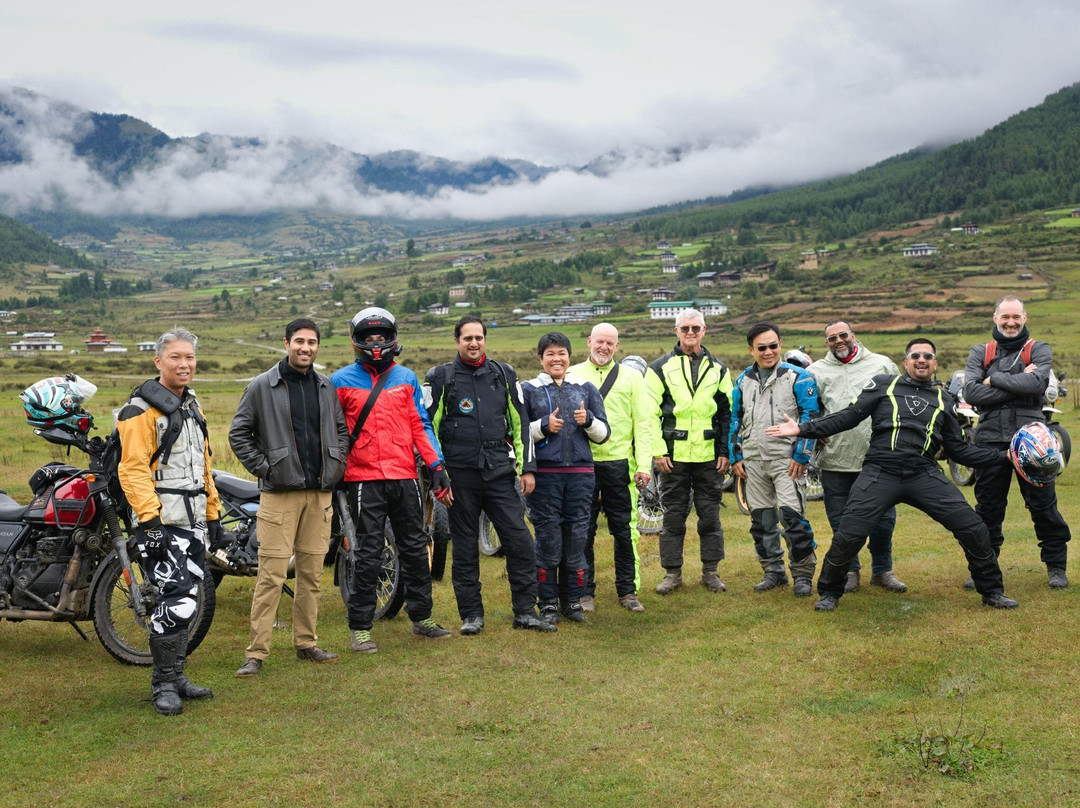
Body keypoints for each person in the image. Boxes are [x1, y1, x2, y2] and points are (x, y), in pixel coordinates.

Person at [767, 338, 1019, 612]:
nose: (921, 359)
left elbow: (959, 450)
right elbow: (849, 416)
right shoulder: (884, 384)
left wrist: (1003, 457)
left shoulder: (944, 399)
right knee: (849, 535)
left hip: (923, 472)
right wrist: (804, 429)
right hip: (880, 471)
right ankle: (829, 592)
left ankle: (992, 591)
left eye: (927, 356)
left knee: (973, 527)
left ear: (934, 364)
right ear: (906, 362)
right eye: (915, 355)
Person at [229, 319, 350, 677]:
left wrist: (337, 463)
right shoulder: (261, 386)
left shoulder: (326, 387)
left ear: (317, 347)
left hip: (319, 494)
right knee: (271, 574)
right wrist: (267, 468)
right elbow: (239, 434)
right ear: (286, 343)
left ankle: (306, 643)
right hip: (280, 495)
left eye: (312, 342)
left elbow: (341, 431)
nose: (306, 348)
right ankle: (256, 653)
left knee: (312, 573)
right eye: (299, 341)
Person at [332, 307, 453, 653]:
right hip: (361, 478)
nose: (375, 343)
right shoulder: (340, 381)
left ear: (392, 338)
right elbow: (334, 432)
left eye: (381, 337)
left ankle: (422, 619)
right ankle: (360, 627)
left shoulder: (406, 378)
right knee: (367, 554)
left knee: (415, 549)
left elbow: (421, 426)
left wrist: (437, 466)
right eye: (369, 338)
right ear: (357, 341)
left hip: (404, 475)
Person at [423, 316, 554, 634]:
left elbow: (521, 422)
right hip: (459, 478)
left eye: (478, 337)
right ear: (456, 341)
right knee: (465, 548)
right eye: (467, 338)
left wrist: (529, 469)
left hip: (499, 472)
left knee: (521, 541)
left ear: (485, 340)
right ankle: (471, 616)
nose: (473, 343)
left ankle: (525, 611)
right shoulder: (441, 377)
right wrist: (437, 476)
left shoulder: (504, 374)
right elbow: (428, 429)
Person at [116, 328, 220, 715]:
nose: (184, 364)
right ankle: (162, 683)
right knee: (174, 600)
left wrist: (212, 515)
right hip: (162, 520)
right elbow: (132, 470)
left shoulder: (193, 405)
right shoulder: (139, 410)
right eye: (175, 357)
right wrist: (149, 521)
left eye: (189, 357)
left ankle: (176, 676)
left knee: (190, 599)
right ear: (158, 361)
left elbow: (203, 464)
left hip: (192, 522)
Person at [963, 295, 1071, 589]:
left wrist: (993, 379)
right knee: (987, 509)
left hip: (1033, 437)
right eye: (1005, 317)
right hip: (989, 439)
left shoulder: (1039, 348)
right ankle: (982, 569)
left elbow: (1038, 384)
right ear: (995, 318)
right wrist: (1017, 381)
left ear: (1025, 318)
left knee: (1044, 505)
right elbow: (971, 393)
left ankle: (1056, 567)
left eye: (1016, 317)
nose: (1011, 322)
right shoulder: (979, 351)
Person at [808, 321, 906, 594]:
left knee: (884, 519)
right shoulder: (815, 371)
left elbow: (899, 402)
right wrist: (814, 427)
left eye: (842, 335)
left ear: (853, 336)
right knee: (840, 520)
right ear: (825, 342)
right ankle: (850, 570)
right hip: (835, 459)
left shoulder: (882, 364)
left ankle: (883, 570)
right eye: (831, 338)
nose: (838, 341)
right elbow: (807, 409)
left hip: (878, 458)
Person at [521, 332, 610, 623]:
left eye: (561, 353)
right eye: (550, 354)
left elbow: (605, 434)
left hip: (581, 476)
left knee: (577, 540)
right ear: (540, 358)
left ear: (569, 357)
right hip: (545, 477)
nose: (556, 359)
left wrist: (590, 422)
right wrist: (543, 426)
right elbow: (518, 434)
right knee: (548, 540)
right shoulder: (528, 390)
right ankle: (547, 603)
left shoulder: (585, 388)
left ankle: (572, 601)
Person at [569, 323, 657, 613]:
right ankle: (583, 592)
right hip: (582, 465)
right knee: (583, 531)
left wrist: (644, 465)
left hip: (620, 465)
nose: (604, 347)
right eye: (599, 342)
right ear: (589, 342)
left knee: (624, 530)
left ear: (617, 346)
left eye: (610, 343)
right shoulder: (572, 375)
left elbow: (643, 424)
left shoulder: (632, 378)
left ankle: (628, 591)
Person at [643, 308, 732, 595]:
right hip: (673, 456)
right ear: (676, 331)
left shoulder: (719, 368)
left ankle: (711, 572)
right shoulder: (658, 368)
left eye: (696, 328)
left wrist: (724, 451)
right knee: (673, 516)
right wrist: (658, 451)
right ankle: (672, 573)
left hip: (708, 456)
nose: (690, 333)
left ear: (704, 330)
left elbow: (727, 413)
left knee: (710, 516)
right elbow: (649, 413)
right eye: (685, 329)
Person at [729, 322, 819, 596]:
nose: (768, 352)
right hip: (753, 461)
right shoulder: (742, 380)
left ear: (780, 344)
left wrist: (802, 455)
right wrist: (736, 455)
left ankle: (803, 573)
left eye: (773, 345)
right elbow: (734, 419)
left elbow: (811, 417)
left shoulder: (799, 376)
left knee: (792, 517)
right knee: (761, 521)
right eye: (761, 347)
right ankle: (773, 571)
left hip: (786, 460)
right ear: (751, 350)